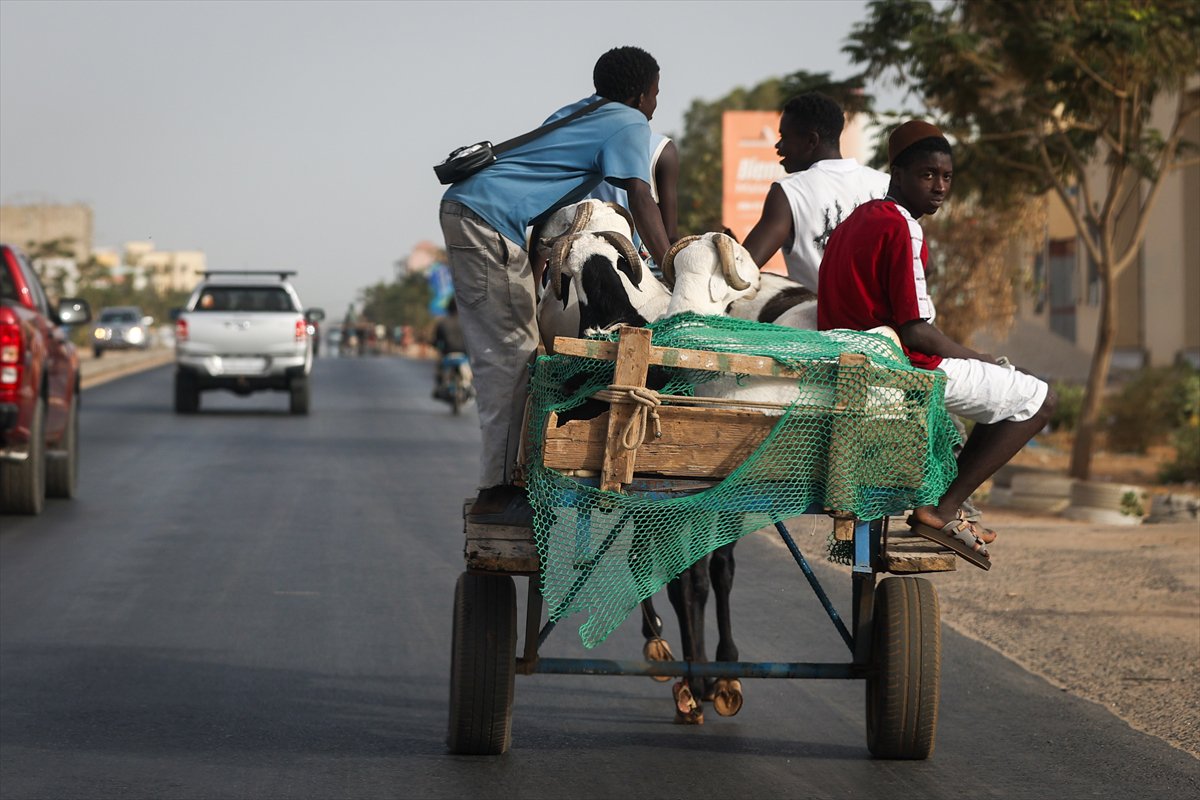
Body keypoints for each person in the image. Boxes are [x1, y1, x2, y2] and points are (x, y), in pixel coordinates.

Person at [440, 46, 671, 527]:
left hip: (476, 213)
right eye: (654, 94)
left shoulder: (577, 113)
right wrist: (669, 265)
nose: (654, 105)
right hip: (487, 222)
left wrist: (540, 264)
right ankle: (497, 490)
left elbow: (551, 196)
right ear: (637, 94)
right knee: (512, 356)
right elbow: (641, 195)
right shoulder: (629, 121)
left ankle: (507, 479)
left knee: (516, 351)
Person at [816, 120, 1056, 569]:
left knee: (1002, 396)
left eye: (946, 177)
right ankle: (942, 510)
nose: (940, 187)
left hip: (851, 365)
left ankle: (953, 504)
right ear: (898, 174)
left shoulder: (856, 220)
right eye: (928, 175)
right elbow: (916, 332)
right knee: (1039, 398)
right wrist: (980, 356)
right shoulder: (901, 226)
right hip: (900, 368)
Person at [741, 92, 890, 290]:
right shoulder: (885, 184)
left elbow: (742, 269)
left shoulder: (788, 192)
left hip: (816, 319)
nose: (778, 146)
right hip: (887, 320)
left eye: (784, 137)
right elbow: (924, 264)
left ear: (812, 141)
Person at [588, 131, 679, 262]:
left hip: (592, 263)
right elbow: (671, 235)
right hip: (651, 266)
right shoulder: (662, 149)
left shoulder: (578, 144)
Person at [432, 298, 467, 394]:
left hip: (447, 354)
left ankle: (439, 387)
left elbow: (436, 341)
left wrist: (436, 346)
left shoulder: (442, 322)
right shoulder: (467, 322)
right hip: (464, 354)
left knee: (439, 369)